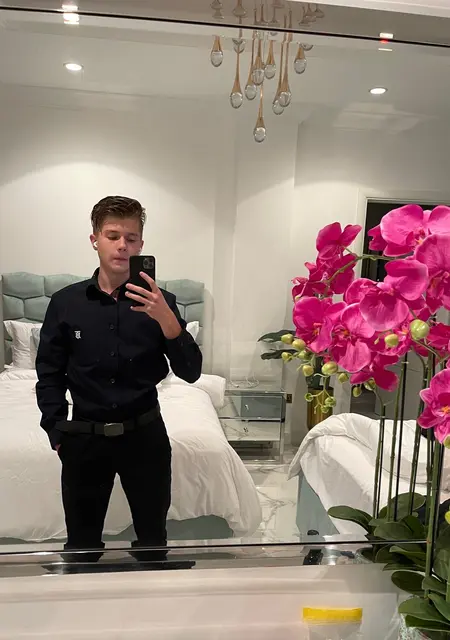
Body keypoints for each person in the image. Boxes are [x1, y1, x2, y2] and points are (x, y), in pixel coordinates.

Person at [36, 195, 202, 564]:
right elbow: (49, 371)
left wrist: (167, 319)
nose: (122, 245)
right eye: (113, 236)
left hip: (145, 435)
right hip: (84, 436)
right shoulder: (66, 303)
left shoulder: (162, 301)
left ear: (141, 245)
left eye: (131, 237)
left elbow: (191, 372)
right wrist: (56, 428)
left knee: (153, 545)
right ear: (95, 239)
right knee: (81, 549)